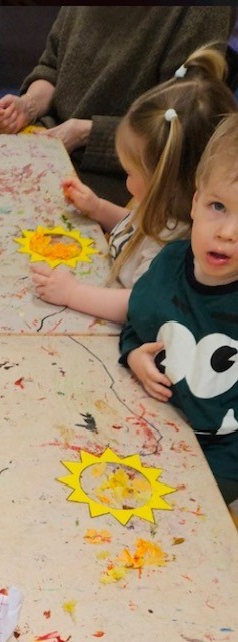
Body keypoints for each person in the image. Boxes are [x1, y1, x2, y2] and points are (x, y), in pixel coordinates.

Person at [31, 45, 238, 324]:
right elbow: (138, 227)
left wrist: (72, 293)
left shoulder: (173, 248)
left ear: (165, 181)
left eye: (130, 172)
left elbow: (137, 304)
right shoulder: (161, 209)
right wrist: (99, 208)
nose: (126, 182)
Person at [0, 6, 236, 205]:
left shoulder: (202, 12)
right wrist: (27, 105)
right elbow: (52, 66)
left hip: (124, 175)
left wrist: (83, 134)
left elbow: (181, 129)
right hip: (51, 141)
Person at [119, 112, 238, 505]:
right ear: (195, 202)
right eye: (218, 206)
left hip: (222, 459)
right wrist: (134, 354)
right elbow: (140, 319)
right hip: (153, 422)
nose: (227, 232)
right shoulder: (170, 261)